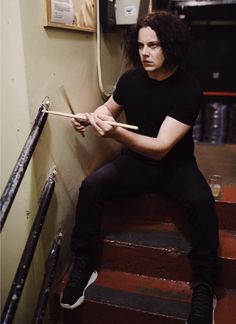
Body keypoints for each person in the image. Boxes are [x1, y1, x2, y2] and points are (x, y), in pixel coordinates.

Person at [60, 10, 221, 324]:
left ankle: (204, 285)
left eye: (154, 45)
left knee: (202, 202)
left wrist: (115, 132)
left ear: (171, 46)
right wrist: (91, 117)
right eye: (141, 45)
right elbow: (107, 110)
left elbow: (161, 148)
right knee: (92, 186)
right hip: (135, 163)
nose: (145, 53)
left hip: (175, 166)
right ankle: (85, 261)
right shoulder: (130, 79)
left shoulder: (188, 88)